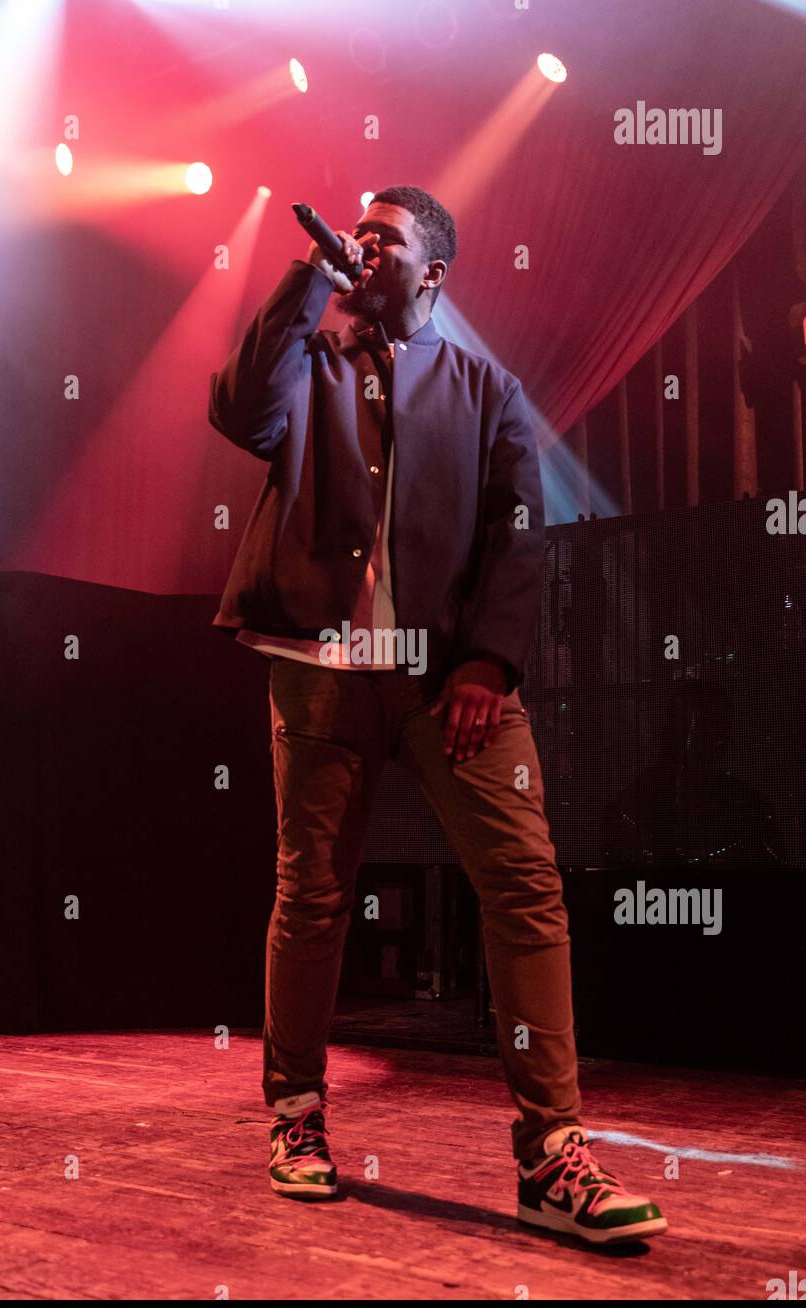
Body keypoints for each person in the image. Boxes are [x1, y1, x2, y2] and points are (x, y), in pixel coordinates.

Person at [207, 184, 667, 1244]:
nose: (361, 246)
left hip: (444, 676)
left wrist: (491, 660)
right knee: (310, 891)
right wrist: (301, 282)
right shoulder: (310, 361)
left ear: (434, 273)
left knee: (522, 882)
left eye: (385, 239)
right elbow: (239, 411)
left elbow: (519, 529)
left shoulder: (483, 386)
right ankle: (296, 1116)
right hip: (319, 666)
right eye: (355, 233)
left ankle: (551, 1154)